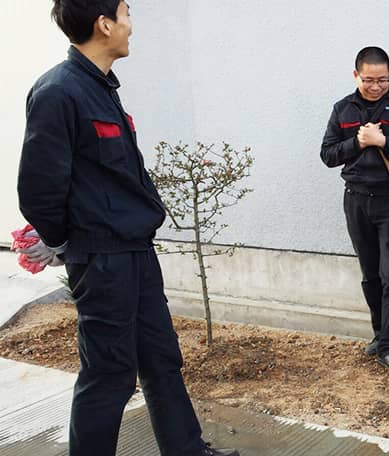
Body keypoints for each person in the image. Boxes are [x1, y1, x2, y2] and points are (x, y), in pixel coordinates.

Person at [16, 2, 238, 455]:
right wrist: (62, 242)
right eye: (126, 14)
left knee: (161, 359)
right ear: (104, 24)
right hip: (101, 259)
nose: (131, 26)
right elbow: (38, 188)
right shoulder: (59, 92)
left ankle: (187, 450)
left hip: (135, 250)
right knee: (109, 374)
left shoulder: (100, 88)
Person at [321, 47, 389, 379]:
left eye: (383, 80)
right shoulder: (343, 109)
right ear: (356, 75)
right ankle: (380, 334)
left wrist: (384, 143)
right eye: (369, 80)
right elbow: (328, 154)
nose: (376, 86)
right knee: (371, 274)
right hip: (356, 199)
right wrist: (359, 142)